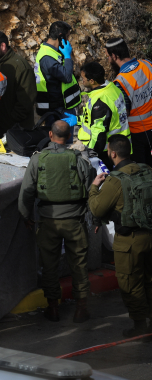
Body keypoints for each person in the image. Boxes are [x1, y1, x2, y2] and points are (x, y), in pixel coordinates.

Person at [18, 121, 95, 323]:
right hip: (74, 220)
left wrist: (26, 216)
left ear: (50, 134)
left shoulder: (37, 159)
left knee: (49, 266)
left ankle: (53, 308)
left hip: (47, 220)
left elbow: (26, 192)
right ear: (69, 137)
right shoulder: (78, 158)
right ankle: (81, 309)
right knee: (79, 265)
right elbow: (91, 187)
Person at [88, 134, 152, 337]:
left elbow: (97, 209)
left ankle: (141, 327)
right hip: (149, 235)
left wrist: (94, 187)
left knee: (130, 284)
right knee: (149, 280)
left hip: (129, 241)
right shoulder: (147, 170)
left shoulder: (115, 181)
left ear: (112, 153)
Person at [106, 37, 152, 167]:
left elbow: (123, 113)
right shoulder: (147, 64)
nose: (108, 60)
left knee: (143, 170)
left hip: (138, 134)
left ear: (114, 56)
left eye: (108, 56)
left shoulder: (121, 82)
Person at [79, 61, 130, 169]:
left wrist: (91, 156)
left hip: (107, 152)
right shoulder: (112, 88)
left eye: (83, 78)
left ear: (92, 81)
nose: (81, 80)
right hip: (121, 146)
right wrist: (78, 119)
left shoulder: (100, 101)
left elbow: (99, 136)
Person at [0, 31, 37, 134]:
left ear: (3, 46)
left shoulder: (21, 67)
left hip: (17, 130)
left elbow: (26, 101)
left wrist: (10, 122)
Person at [33, 21, 82, 116]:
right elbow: (67, 77)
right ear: (61, 36)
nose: (68, 40)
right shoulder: (48, 58)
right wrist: (67, 56)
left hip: (61, 106)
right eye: (67, 36)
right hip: (57, 110)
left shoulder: (51, 51)